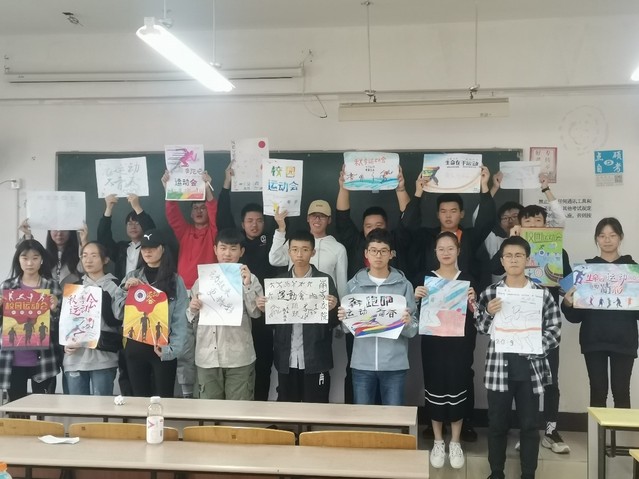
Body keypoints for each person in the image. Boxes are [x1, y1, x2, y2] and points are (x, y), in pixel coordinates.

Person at [402, 166, 495, 441]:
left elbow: (487, 220)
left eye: (454, 211)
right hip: (433, 321)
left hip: (463, 319)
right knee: (434, 370)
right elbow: (407, 226)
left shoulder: (470, 236)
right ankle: (436, 424)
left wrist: (485, 187)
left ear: (461, 214)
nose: (448, 215)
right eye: (443, 211)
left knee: (463, 371)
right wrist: (417, 193)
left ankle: (465, 422)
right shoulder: (427, 236)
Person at [477, 236, 561, 479]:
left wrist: (533, 344)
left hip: (530, 369)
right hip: (498, 369)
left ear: (527, 260)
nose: (513, 260)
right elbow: (480, 327)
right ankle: (496, 473)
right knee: (497, 425)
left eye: (519, 255)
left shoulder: (541, 294)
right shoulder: (491, 292)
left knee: (529, 426)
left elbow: (555, 330)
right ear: (502, 261)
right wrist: (489, 313)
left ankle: (528, 474)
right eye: (508, 256)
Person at [492, 203, 572, 454]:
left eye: (538, 220)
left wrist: (570, 294)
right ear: (521, 225)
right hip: (518, 328)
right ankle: (527, 432)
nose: (534, 225)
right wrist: (511, 238)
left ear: (545, 224)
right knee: (523, 384)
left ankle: (550, 430)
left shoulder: (558, 250)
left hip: (546, 327)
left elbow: (568, 284)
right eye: (528, 221)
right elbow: (495, 267)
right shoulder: (514, 252)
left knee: (550, 380)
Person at [335, 165, 411, 404]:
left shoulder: (402, 280)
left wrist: (401, 189)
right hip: (362, 349)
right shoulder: (353, 278)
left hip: (393, 356)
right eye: (368, 226)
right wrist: (343, 187)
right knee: (361, 396)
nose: (373, 230)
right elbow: (342, 218)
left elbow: (408, 219)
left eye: (379, 226)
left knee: (391, 406)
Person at [216, 164, 282, 401]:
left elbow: (281, 223)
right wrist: (226, 185)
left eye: (259, 220)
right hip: (237, 313)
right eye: (249, 221)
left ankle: (260, 409)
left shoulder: (272, 241)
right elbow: (223, 216)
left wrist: (274, 186)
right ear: (242, 224)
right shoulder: (236, 245)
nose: (254, 225)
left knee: (263, 364)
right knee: (237, 367)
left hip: (264, 312)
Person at [414, 232, 477, 470]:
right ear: (435, 252)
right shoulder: (427, 279)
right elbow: (413, 315)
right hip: (433, 345)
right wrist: (416, 297)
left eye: (451, 248)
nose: (446, 253)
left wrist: (473, 301)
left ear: (458, 250)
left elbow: (478, 316)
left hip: (460, 345)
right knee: (435, 388)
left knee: (458, 388)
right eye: (441, 249)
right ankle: (438, 441)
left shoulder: (468, 279)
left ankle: (456, 441)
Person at [562, 217, 638, 409]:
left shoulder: (633, 270)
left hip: (624, 340)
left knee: (621, 391)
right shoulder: (585, 271)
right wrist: (568, 303)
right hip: (594, 339)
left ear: (620, 237)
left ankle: (620, 430)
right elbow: (575, 317)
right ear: (596, 239)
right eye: (602, 236)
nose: (607, 240)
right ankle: (596, 431)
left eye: (612, 235)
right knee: (597, 391)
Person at [258, 230, 340, 403]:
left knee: (316, 406)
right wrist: (265, 310)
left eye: (305, 249)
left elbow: (333, 323)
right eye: (295, 249)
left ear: (313, 252)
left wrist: (333, 309)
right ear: (289, 252)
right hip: (286, 356)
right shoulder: (279, 283)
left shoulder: (324, 281)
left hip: (316, 356)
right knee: (287, 407)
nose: (299, 254)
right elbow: (272, 325)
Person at [338, 228, 418, 406]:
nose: (378, 256)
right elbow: (345, 329)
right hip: (362, 364)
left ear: (391, 254)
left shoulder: (404, 285)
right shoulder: (353, 285)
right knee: (363, 417)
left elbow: (413, 329)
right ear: (366, 253)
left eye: (383, 251)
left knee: (394, 416)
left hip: (394, 364)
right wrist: (343, 319)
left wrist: (407, 323)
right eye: (373, 250)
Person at [187, 228, 264, 400]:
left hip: (239, 356)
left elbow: (255, 314)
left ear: (241, 252)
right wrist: (192, 308)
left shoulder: (250, 279)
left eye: (233, 248)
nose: (227, 253)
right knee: (209, 410)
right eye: (223, 248)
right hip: (207, 356)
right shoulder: (202, 280)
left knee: (238, 411)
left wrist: (247, 286)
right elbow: (191, 318)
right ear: (215, 249)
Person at [120, 229, 189, 397]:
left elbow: (180, 320)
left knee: (163, 400)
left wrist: (171, 350)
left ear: (163, 249)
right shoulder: (132, 277)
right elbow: (117, 313)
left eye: (152, 247)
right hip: (135, 347)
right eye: (144, 248)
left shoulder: (175, 280)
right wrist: (125, 290)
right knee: (139, 401)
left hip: (162, 349)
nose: (147, 252)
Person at [0, 240, 62, 401]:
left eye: (35, 258)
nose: (29, 263)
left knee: (43, 407)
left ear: (41, 260)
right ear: (18, 260)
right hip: (13, 359)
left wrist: (55, 309)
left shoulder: (52, 286)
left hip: (44, 358)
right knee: (16, 409)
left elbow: (62, 326)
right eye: (25, 258)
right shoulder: (7, 287)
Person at [63, 241, 126, 396]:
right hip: (75, 358)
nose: (88, 260)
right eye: (84, 256)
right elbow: (66, 322)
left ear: (105, 260)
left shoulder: (117, 286)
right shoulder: (74, 287)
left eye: (94, 256)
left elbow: (121, 320)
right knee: (77, 408)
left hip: (103, 358)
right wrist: (65, 343)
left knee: (101, 407)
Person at [161, 169, 218, 290]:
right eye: (195, 208)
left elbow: (214, 212)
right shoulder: (185, 231)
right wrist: (168, 189)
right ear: (191, 213)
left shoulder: (213, 231)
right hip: (184, 289)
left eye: (203, 208)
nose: (199, 211)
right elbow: (173, 214)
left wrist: (207, 189)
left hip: (209, 288)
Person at [97, 193, 156, 280]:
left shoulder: (151, 249)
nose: (133, 227)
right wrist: (108, 208)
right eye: (129, 224)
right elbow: (103, 238)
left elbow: (152, 232)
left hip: (145, 287)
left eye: (137, 223)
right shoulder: (121, 249)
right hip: (123, 287)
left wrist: (136, 207)